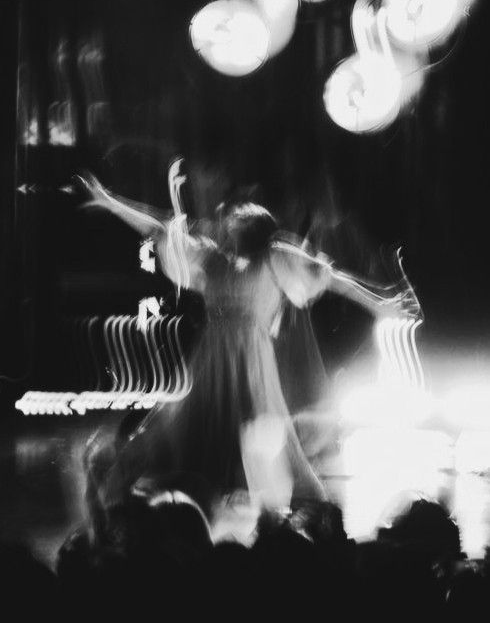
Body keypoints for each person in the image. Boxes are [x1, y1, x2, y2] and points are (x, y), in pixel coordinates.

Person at [75, 163, 416, 516]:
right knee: (190, 423)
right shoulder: (212, 259)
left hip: (251, 355)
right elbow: (159, 229)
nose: (232, 214)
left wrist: (377, 304)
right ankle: (196, 488)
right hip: (212, 355)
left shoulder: (274, 257)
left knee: (255, 419)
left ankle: (260, 497)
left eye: (242, 212)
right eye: (232, 213)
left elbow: (332, 279)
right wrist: (110, 201)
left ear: (258, 225)